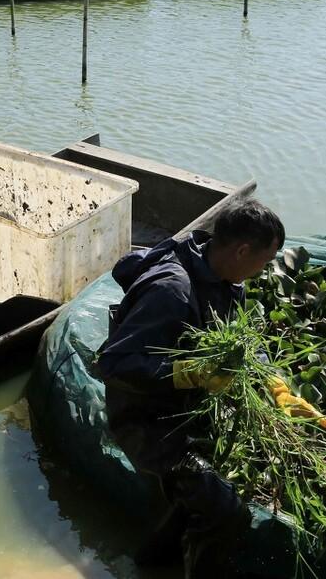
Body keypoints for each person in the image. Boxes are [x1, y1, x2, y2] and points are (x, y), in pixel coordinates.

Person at [93, 198, 286, 578]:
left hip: (184, 411)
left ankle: (151, 563)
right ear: (242, 250)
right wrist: (187, 373)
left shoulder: (227, 281)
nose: (263, 271)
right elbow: (112, 363)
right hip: (146, 420)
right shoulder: (171, 290)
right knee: (229, 512)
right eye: (264, 261)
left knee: (192, 499)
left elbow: (240, 343)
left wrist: (274, 382)